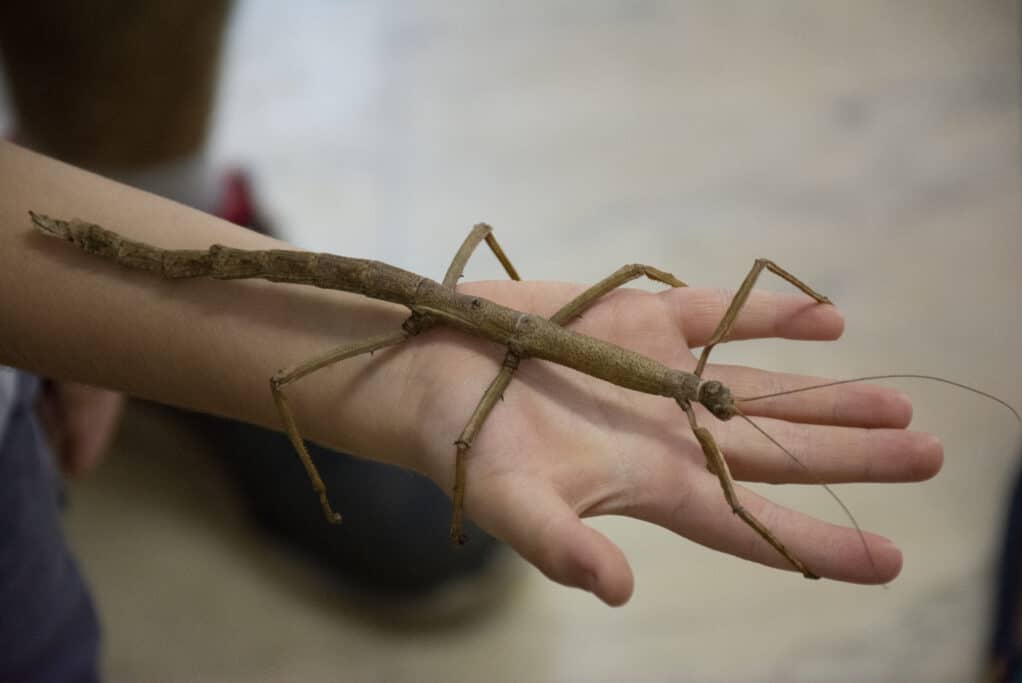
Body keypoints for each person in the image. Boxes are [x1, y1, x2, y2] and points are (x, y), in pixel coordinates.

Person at [0, 4, 942, 682]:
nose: (717, 404)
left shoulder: (683, 393)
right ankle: (143, 268)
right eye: (716, 400)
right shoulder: (682, 396)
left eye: (716, 402)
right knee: (263, 338)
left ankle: (143, 234)